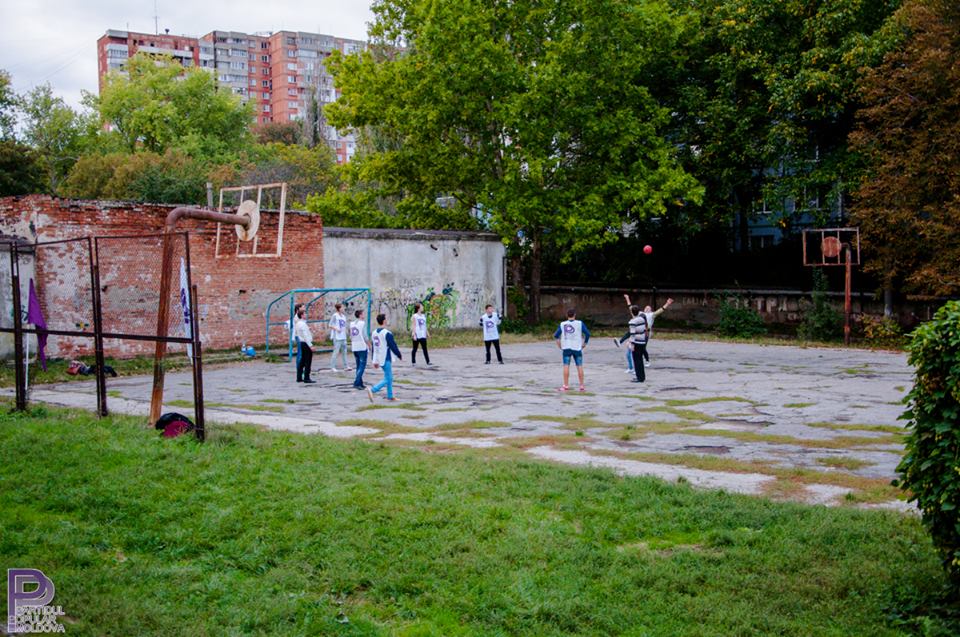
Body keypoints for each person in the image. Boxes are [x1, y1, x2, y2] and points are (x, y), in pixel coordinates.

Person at [614, 295, 673, 370]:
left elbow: (661, 310)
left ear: (651, 310)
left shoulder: (652, 315)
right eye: (646, 307)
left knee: (643, 348)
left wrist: (667, 303)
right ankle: (620, 342)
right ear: (644, 309)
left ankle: (647, 361)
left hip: (645, 332)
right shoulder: (640, 313)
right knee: (630, 333)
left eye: (649, 308)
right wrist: (627, 298)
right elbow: (631, 308)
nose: (647, 308)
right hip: (638, 330)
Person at [367, 313, 402, 402]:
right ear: (384, 321)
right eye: (386, 318)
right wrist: (399, 354)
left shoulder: (374, 332)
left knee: (388, 376)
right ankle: (373, 389)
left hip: (379, 357)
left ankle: (390, 396)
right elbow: (393, 345)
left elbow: (374, 348)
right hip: (385, 357)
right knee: (388, 378)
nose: (387, 320)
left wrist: (374, 360)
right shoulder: (387, 333)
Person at [554, 308, 591, 392]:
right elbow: (587, 334)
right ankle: (581, 385)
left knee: (566, 365)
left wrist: (559, 344)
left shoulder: (563, 324)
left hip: (566, 347)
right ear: (575, 315)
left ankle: (565, 385)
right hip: (577, 347)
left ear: (567, 315)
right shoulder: (579, 323)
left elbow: (556, 335)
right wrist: (585, 343)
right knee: (579, 366)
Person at [627, 304, 649, 383]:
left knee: (636, 361)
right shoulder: (642, 319)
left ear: (632, 313)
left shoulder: (632, 322)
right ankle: (642, 377)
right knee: (640, 360)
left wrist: (631, 344)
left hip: (636, 342)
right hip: (642, 342)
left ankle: (639, 377)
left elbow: (632, 334)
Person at [294, 306, 316, 383]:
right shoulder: (302, 324)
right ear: (302, 315)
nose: (306, 315)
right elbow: (306, 336)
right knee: (307, 361)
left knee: (303, 361)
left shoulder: (299, 323)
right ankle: (307, 377)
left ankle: (299, 376)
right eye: (305, 314)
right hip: (306, 343)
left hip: (302, 342)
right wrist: (311, 345)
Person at [350, 308, 370, 389]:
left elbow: (351, 335)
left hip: (354, 346)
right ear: (360, 315)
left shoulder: (352, 323)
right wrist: (369, 344)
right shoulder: (362, 323)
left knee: (358, 365)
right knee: (362, 366)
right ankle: (356, 382)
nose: (364, 315)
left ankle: (360, 382)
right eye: (363, 314)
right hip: (361, 346)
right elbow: (365, 336)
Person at [329, 302, 349, 371]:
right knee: (336, 351)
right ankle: (332, 366)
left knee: (344, 351)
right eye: (342, 307)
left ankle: (346, 366)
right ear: (339, 308)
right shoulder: (335, 315)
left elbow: (344, 326)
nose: (343, 308)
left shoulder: (343, 316)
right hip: (337, 336)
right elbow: (330, 325)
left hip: (343, 336)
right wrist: (336, 329)